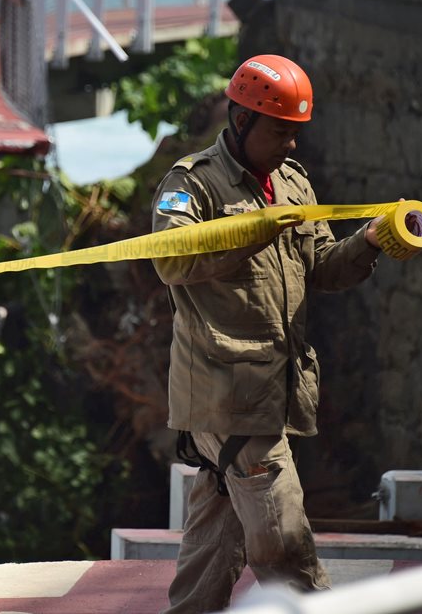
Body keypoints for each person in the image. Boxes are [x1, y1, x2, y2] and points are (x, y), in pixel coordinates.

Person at [152, 54, 388, 612]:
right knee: (284, 543)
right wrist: (255, 231)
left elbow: (323, 267)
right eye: (280, 131)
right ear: (240, 121)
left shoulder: (294, 184)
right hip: (224, 396)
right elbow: (170, 260)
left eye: (295, 132)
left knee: (215, 544)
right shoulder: (191, 185)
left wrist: (372, 242)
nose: (291, 145)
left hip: (272, 393)